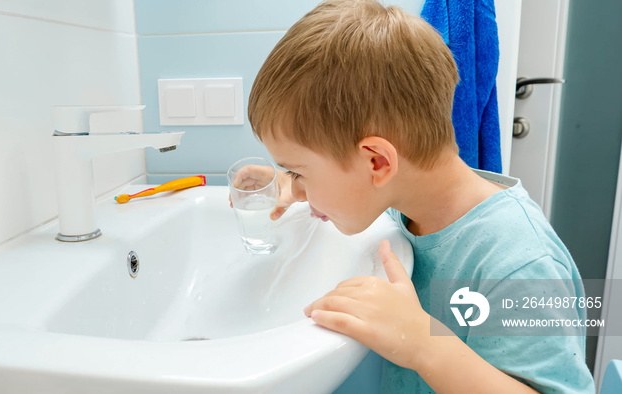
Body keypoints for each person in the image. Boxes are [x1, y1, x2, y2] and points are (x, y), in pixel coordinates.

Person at [242, 0, 596, 392]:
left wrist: (423, 344)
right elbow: (354, 186)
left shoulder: (519, 263)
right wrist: (291, 183)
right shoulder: (400, 200)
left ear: (376, 162)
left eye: (299, 170)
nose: (300, 185)